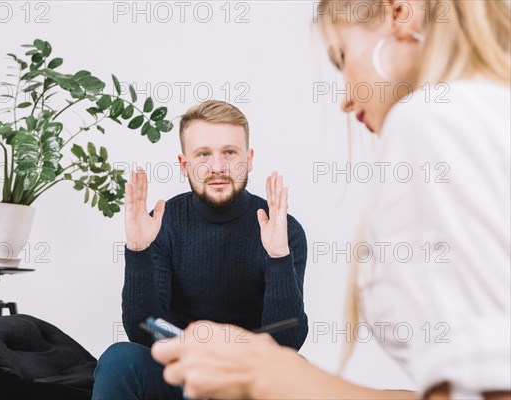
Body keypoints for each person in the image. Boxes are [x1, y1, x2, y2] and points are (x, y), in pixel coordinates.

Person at [151, 1, 511, 399]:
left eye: (341, 60)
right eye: (203, 154)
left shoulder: (431, 123)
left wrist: (271, 376)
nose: (344, 99)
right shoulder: (487, 114)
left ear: (400, 14)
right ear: (183, 163)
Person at [92, 100, 309, 399]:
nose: (217, 167)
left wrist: (278, 257)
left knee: (296, 370)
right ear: (184, 164)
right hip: (179, 376)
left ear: (249, 158)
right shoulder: (164, 224)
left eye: (230, 153)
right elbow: (142, 335)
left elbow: (287, 345)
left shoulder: (283, 229)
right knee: (120, 358)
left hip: (246, 383)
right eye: (204, 154)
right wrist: (139, 250)